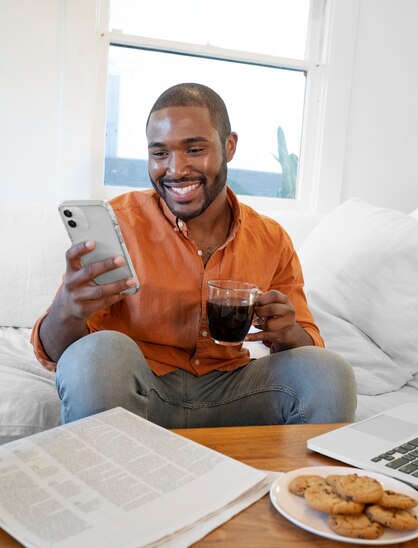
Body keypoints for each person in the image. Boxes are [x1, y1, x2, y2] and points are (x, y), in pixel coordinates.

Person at [31, 82, 357, 427]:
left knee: (329, 372)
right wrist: (67, 310)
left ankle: (297, 482)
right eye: (159, 154)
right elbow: (59, 355)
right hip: (142, 390)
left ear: (229, 146)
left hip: (234, 392)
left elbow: (308, 346)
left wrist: (286, 330)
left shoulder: (271, 239)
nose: (175, 169)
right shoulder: (118, 223)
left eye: (194, 149)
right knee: (95, 353)